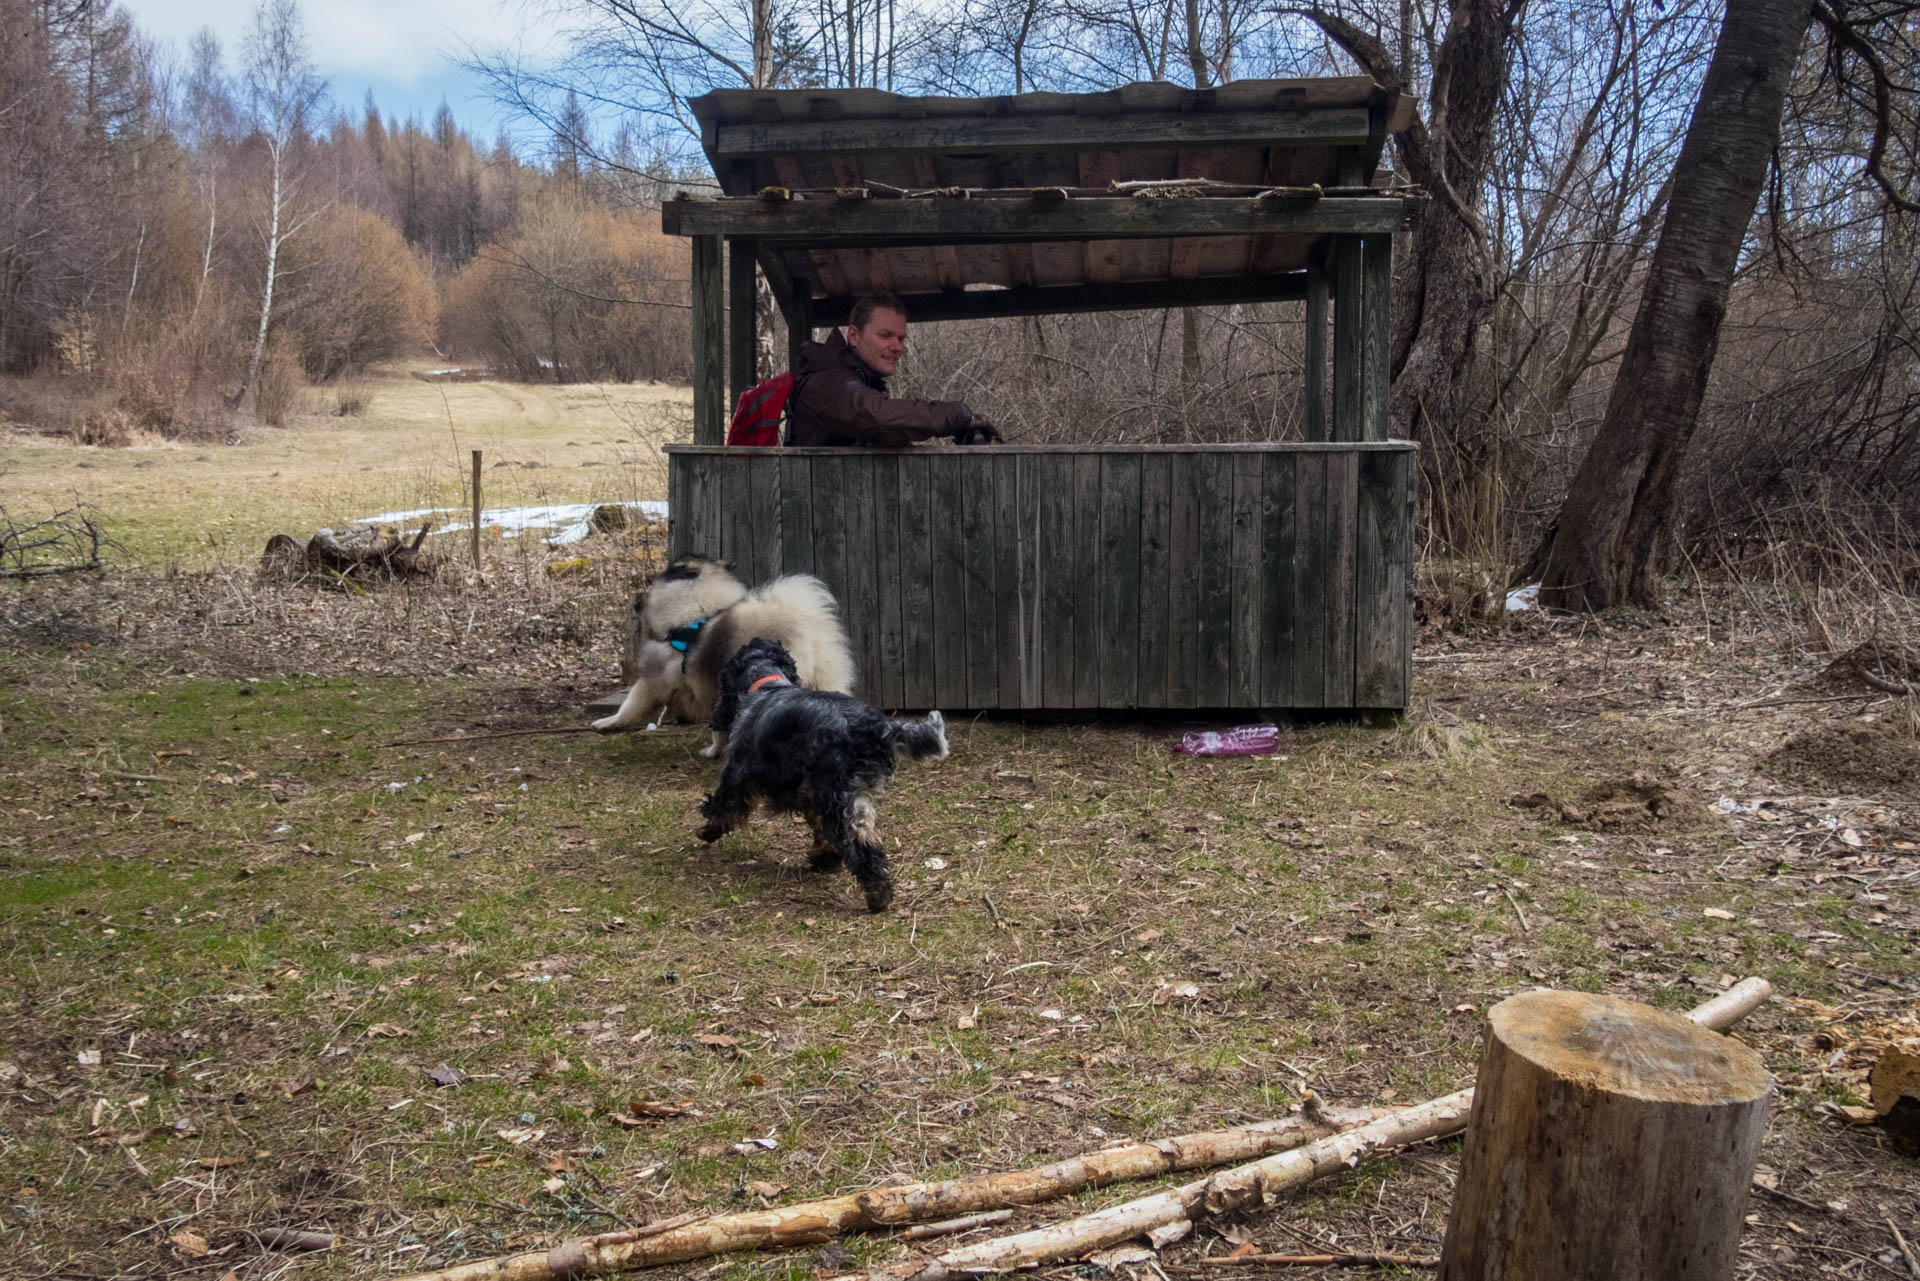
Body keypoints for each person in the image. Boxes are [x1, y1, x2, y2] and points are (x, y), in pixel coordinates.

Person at [787, 293, 1003, 447]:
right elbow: (879, 418)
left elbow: (888, 432)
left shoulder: (858, 382)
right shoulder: (829, 383)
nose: (897, 347)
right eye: (884, 335)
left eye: (901, 338)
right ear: (854, 336)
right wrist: (960, 414)